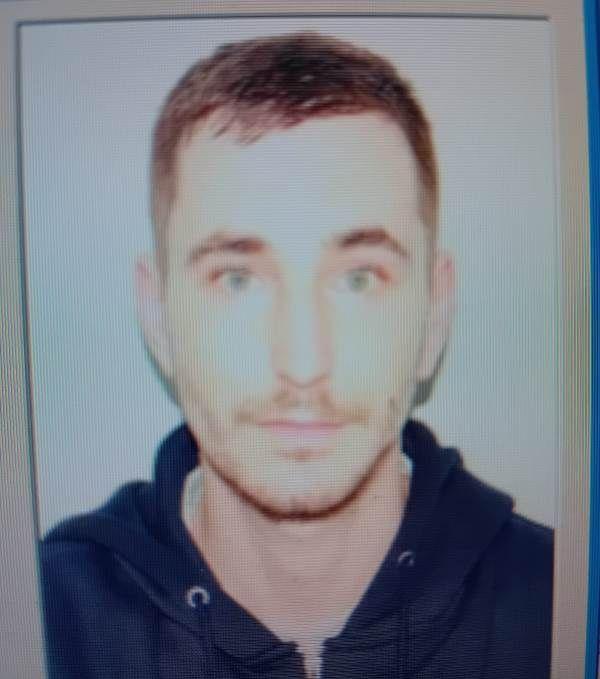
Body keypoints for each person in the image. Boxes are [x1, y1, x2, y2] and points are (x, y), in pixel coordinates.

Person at [40, 32, 553, 679]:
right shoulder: (41, 619)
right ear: (158, 317)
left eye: (359, 279)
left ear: (435, 315)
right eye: (237, 280)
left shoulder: (563, 607)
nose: (304, 364)